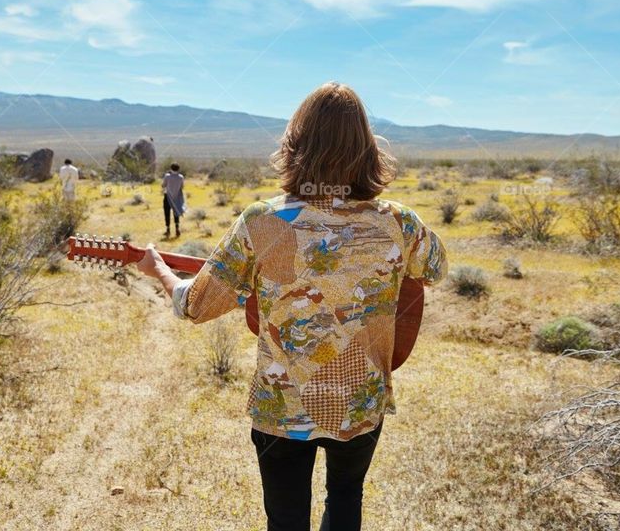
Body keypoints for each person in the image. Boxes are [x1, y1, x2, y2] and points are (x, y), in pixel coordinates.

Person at [136, 82, 447, 531]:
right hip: (359, 405)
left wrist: (159, 270)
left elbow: (196, 306)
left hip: (282, 408)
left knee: (285, 521)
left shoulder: (263, 221)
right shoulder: (399, 221)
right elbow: (435, 269)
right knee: (345, 498)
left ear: (295, 145)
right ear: (367, 149)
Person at [161, 163, 186, 238]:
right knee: (176, 213)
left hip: (168, 197)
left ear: (171, 168)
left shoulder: (167, 176)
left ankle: (168, 229)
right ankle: (177, 228)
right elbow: (182, 187)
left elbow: (163, 185)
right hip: (177, 197)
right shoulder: (181, 177)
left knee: (167, 213)